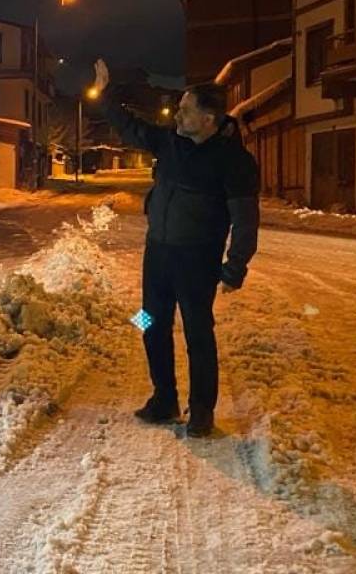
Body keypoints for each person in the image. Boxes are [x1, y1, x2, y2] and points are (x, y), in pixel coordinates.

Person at [92, 59, 260, 438]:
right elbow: (131, 128)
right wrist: (105, 95)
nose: (177, 115)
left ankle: (201, 410)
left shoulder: (234, 162)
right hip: (158, 255)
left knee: (198, 331)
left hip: (197, 261)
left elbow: (245, 221)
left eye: (186, 110)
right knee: (149, 322)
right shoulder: (170, 142)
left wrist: (234, 268)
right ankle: (163, 397)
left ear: (209, 118)